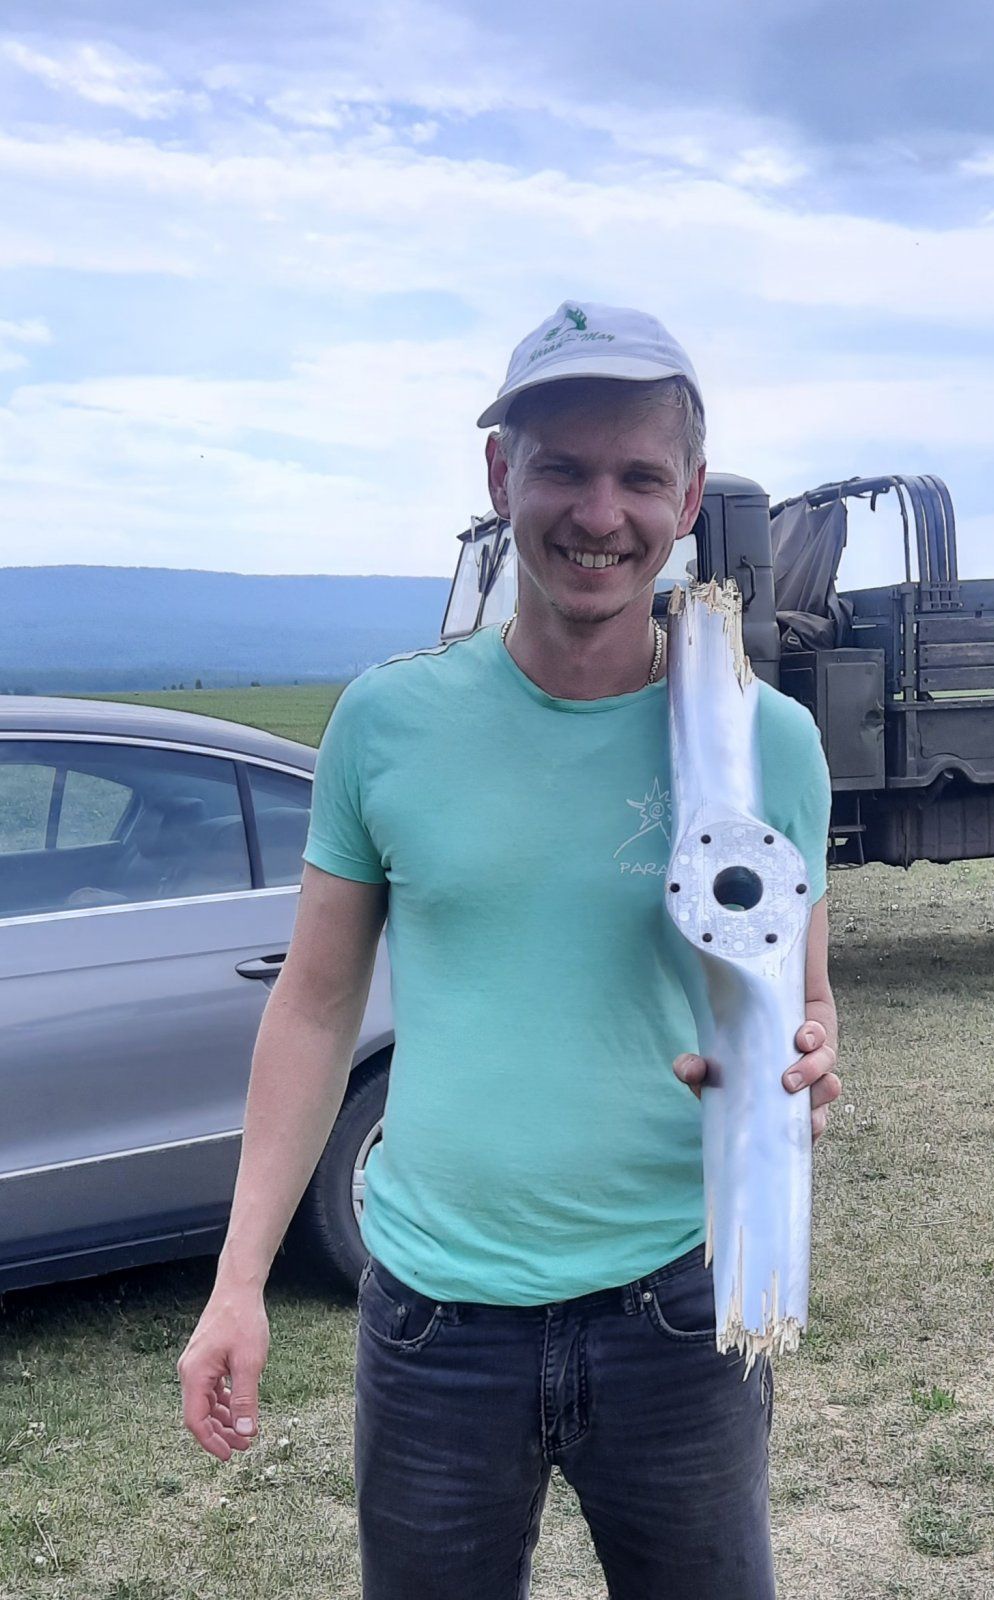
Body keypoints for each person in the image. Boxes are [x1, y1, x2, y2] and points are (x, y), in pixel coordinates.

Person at [178, 301, 841, 1600]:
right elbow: (313, 1006)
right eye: (563, 469)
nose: (601, 513)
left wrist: (807, 1059)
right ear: (499, 476)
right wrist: (238, 1278)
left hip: (677, 1310)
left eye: (640, 476)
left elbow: (803, 997)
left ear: (688, 496)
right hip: (435, 1325)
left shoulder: (762, 742)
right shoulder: (387, 724)